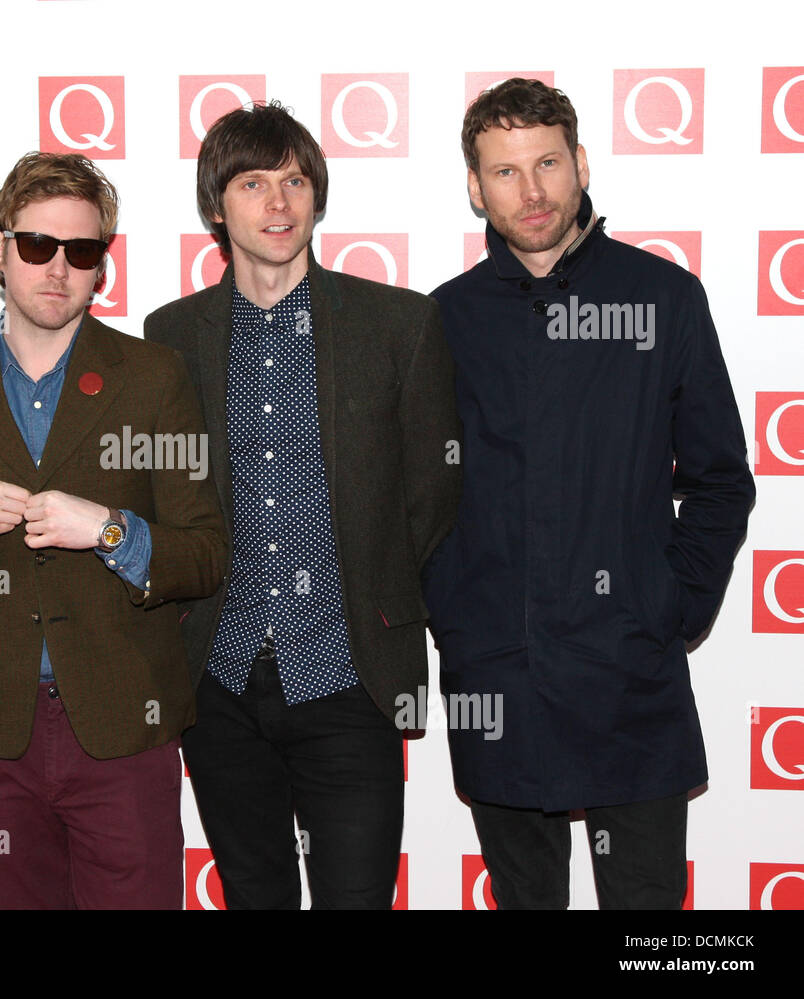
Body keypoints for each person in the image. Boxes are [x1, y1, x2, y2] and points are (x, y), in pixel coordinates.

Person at [426, 78, 755, 909]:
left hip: (630, 672)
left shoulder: (664, 298)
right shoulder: (442, 321)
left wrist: (668, 605)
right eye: (504, 171)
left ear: (580, 163)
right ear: (475, 186)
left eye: (546, 163)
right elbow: (414, 494)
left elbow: (720, 480)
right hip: (494, 674)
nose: (530, 190)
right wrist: (454, 609)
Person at [0, 151, 227, 909]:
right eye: (36, 245)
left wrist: (113, 531)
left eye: (82, 251)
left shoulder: (154, 376)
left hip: (126, 725)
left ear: (103, 266)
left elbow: (203, 554)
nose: (57, 267)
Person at [144, 101, 462, 909]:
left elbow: (432, 497)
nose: (278, 203)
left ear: (318, 196)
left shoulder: (399, 324)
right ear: (217, 207)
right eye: (253, 183)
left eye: (294, 181)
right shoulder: (170, 337)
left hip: (351, 678)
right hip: (217, 680)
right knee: (254, 894)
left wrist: (387, 599)